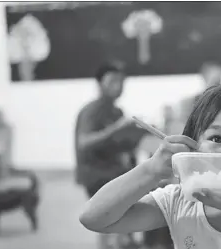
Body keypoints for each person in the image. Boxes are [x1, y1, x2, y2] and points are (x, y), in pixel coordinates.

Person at [80, 84, 221, 249]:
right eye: (217, 139)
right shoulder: (179, 202)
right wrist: (151, 170)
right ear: (192, 147)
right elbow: (94, 218)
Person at [75, 62, 147, 249]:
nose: (119, 85)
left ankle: (128, 241)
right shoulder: (92, 110)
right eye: (113, 80)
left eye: (122, 81)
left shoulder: (117, 111)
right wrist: (116, 128)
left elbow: (124, 143)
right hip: (97, 174)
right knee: (109, 221)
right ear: (99, 84)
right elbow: (84, 142)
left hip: (115, 172)